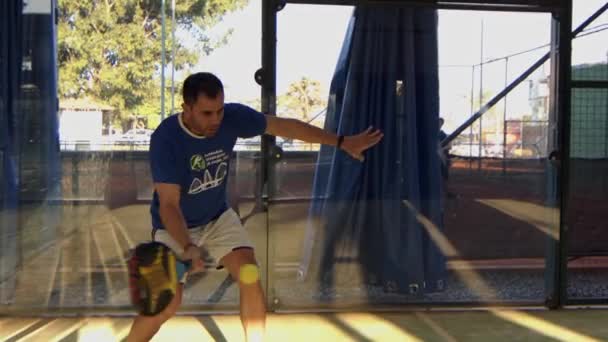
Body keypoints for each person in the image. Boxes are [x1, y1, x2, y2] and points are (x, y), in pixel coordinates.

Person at [126, 72, 383, 342]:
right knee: (166, 305)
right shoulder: (167, 138)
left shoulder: (232, 119)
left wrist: (341, 142)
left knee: (249, 273)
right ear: (186, 108)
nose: (215, 120)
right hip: (175, 227)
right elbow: (168, 205)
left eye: (219, 111)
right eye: (206, 113)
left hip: (217, 218)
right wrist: (188, 245)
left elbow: (285, 127)